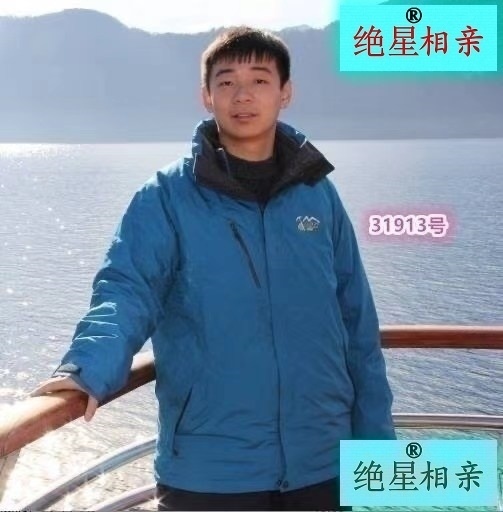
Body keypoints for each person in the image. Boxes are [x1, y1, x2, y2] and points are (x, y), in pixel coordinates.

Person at [31, 26, 395, 511]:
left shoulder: (317, 195)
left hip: (324, 459)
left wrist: (375, 440)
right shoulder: (166, 197)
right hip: (211, 471)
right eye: (226, 82)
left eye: (260, 80)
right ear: (206, 96)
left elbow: (356, 321)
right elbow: (126, 290)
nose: (243, 95)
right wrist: (86, 369)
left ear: (285, 93)